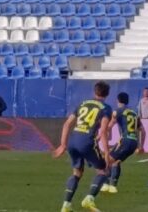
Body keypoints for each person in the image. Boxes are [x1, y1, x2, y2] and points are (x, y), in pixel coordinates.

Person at [52, 80, 113, 211]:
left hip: (73, 141)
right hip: (87, 141)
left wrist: (63, 145)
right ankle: (89, 199)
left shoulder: (82, 104)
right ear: (107, 94)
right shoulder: (106, 108)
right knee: (104, 170)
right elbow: (103, 131)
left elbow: (67, 124)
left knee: (77, 172)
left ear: (94, 91)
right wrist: (107, 153)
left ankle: (66, 204)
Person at [103, 92, 142, 194]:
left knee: (107, 159)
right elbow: (143, 130)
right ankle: (111, 185)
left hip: (125, 140)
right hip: (133, 142)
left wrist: (103, 134)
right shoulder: (134, 113)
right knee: (116, 161)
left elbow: (109, 126)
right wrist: (140, 145)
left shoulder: (118, 111)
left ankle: (106, 184)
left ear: (118, 100)